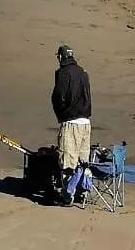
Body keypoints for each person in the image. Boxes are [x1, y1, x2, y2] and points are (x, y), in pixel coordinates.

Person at [51, 44, 92, 204]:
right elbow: (87, 95)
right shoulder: (83, 72)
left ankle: (67, 195)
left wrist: (61, 114)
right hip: (86, 122)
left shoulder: (63, 72)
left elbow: (59, 95)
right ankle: (82, 191)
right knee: (83, 159)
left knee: (67, 160)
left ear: (61, 57)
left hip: (71, 121)